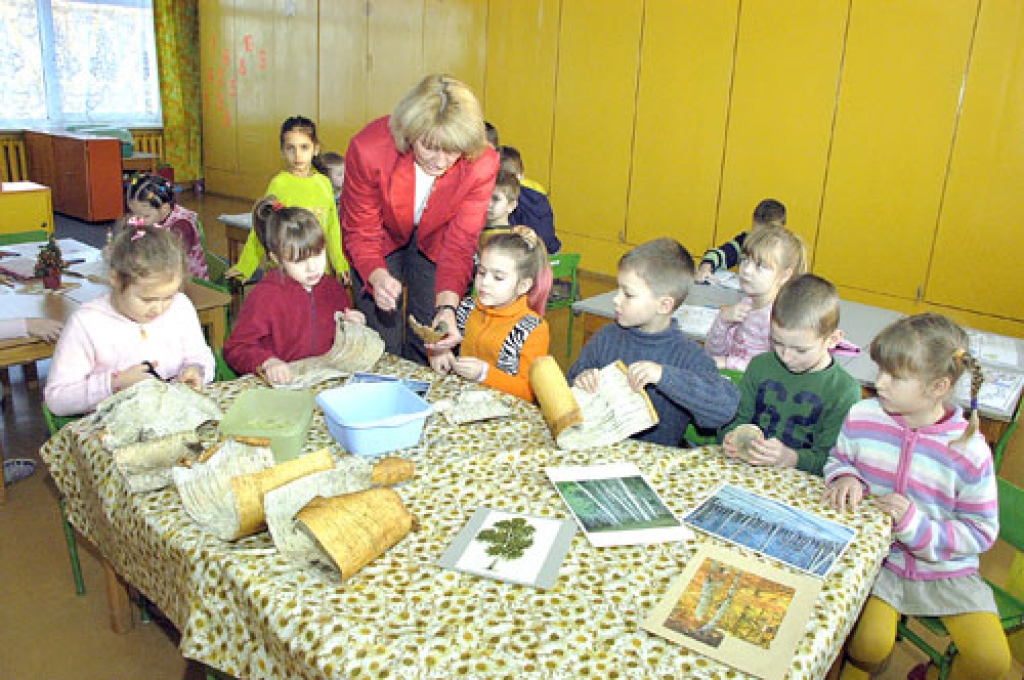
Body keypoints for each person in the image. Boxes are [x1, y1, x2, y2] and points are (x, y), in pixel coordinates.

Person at [824, 314, 1010, 680]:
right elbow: (840, 459)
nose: (878, 383)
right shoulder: (863, 415)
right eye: (880, 370)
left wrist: (915, 526)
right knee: (868, 645)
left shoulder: (969, 450)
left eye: (895, 377)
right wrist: (845, 476)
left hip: (945, 568)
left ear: (938, 386)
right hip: (879, 562)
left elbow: (981, 532)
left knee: (992, 661)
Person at [341, 74, 500, 364]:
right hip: (381, 236)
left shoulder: (482, 163)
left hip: (437, 239)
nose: (439, 161)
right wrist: (376, 275)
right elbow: (361, 232)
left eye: (452, 150)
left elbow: (460, 245)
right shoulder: (369, 150)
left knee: (431, 332)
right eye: (429, 146)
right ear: (409, 133)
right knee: (380, 338)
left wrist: (448, 309)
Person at [567, 238, 740, 447]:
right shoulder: (607, 337)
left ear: (664, 305)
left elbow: (723, 409)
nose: (616, 299)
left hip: (655, 465)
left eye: (628, 294)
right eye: (618, 290)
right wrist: (581, 379)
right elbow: (569, 384)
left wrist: (664, 376)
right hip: (599, 451)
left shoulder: (686, 354)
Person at [45, 225, 215, 416]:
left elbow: (201, 356)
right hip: (112, 431)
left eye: (168, 297)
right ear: (115, 279)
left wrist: (196, 371)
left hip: (173, 418)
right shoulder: (87, 323)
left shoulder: (180, 306)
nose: (158, 309)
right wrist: (114, 384)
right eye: (147, 299)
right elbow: (57, 399)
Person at [719, 274, 860, 475]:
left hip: (799, 485)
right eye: (777, 342)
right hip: (746, 475)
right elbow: (735, 421)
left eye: (800, 350)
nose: (786, 356)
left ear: (832, 340)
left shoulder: (843, 390)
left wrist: (792, 458)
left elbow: (834, 462)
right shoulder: (760, 366)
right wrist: (730, 438)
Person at [224, 197, 365, 385]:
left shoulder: (333, 289)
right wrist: (267, 362)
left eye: (318, 254)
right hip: (282, 389)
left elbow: (340, 341)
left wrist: (355, 326)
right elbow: (235, 349)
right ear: (277, 258)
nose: (312, 267)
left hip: (325, 381)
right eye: (299, 261)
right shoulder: (265, 296)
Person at [429, 227, 551, 402]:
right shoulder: (466, 307)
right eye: (481, 272)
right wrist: (438, 351)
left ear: (523, 286)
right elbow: (437, 339)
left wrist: (485, 374)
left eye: (498, 277)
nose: (485, 283)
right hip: (460, 401)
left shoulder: (532, 328)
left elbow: (529, 393)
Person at [227, 116, 348, 283]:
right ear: (282, 151)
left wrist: (341, 265)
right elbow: (262, 230)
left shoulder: (324, 183)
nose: (297, 154)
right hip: (286, 272)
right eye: (291, 148)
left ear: (315, 149)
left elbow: (333, 229)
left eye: (304, 147)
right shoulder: (279, 184)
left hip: (316, 271)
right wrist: (245, 267)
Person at [704, 225, 806, 371]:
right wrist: (722, 321)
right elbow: (714, 353)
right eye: (745, 260)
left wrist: (729, 363)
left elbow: (776, 369)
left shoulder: (778, 318)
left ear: (785, 275)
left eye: (760, 265)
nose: (746, 270)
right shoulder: (747, 303)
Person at [125, 172, 208, 279]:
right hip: (160, 273)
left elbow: (170, 261)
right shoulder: (151, 217)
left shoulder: (181, 226)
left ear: (164, 208)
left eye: (145, 216)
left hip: (187, 282)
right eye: (134, 214)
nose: (138, 220)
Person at [695, 198, 786, 283]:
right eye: (756, 233)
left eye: (765, 235)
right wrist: (706, 266)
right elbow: (720, 253)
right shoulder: (745, 240)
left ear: (780, 230)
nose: (759, 239)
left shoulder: (787, 250)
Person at [498, 145, 560, 254]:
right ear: (521, 172)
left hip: (530, 253)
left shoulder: (508, 195)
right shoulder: (537, 189)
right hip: (552, 250)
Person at [481, 170, 519, 242]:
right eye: (485, 196)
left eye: (496, 199)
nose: (488, 203)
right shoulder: (472, 232)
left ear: (511, 206)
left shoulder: (513, 240)